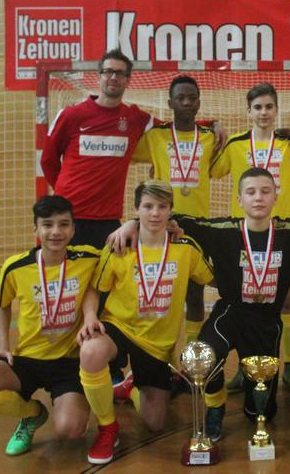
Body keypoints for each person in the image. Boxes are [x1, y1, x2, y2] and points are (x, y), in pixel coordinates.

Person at [105, 168, 290, 445]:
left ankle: (257, 409)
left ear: (275, 197)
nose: (258, 198)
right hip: (230, 314)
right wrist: (133, 223)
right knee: (204, 355)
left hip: (267, 324)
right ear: (239, 199)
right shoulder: (221, 230)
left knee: (261, 412)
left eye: (265, 191)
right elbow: (170, 217)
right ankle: (215, 406)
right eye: (250, 192)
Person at [76, 180, 214, 465]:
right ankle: (107, 428)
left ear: (170, 210)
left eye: (162, 207)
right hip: (120, 326)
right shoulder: (119, 246)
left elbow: (211, 277)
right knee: (91, 351)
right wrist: (89, 316)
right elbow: (95, 288)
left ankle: (130, 387)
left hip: (157, 345)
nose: (155, 213)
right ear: (136, 209)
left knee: (155, 423)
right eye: (148, 206)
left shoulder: (185, 247)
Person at [0, 196, 97, 456]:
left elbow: (121, 253)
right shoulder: (15, 267)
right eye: (47, 225)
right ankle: (32, 414)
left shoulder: (89, 258)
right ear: (35, 228)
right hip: (27, 358)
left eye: (63, 224)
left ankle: (72, 404)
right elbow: (2, 304)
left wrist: (134, 225)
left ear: (73, 229)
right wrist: (3, 346)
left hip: (69, 362)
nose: (56, 232)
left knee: (71, 430)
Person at [210, 83, 290, 392]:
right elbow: (213, 171)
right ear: (248, 111)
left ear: (276, 110)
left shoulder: (288, 143)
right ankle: (245, 366)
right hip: (244, 233)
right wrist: (214, 133)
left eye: (269, 107)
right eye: (258, 107)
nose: (264, 112)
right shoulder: (236, 144)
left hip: (280, 232)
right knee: (242, 300)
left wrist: (284, 196)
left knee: (286, 298)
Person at [132, 75, 217, 345]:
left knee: (195, 292)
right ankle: (154, 348)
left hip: (198, 224)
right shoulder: (155, 136)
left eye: (192, 98)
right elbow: (127, 152)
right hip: (163, 223)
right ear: (170, 103)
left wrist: (214, 123)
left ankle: (192, 353)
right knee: (158, 290)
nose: (187, 103)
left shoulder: (210, 137)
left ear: (199, 102)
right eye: (180, 98)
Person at [40, 49, 156, 249]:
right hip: (70, 217)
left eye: (120, 73)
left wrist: (210, 125)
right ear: (99, 76)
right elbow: (47, 160)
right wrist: (63, 194)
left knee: (110, 269)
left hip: (107, 219)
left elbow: (174, 128)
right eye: (108, 71)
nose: (113, 77)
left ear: (128, 80)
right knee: (69, 270)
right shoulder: (71, 115)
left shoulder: (135, 118)